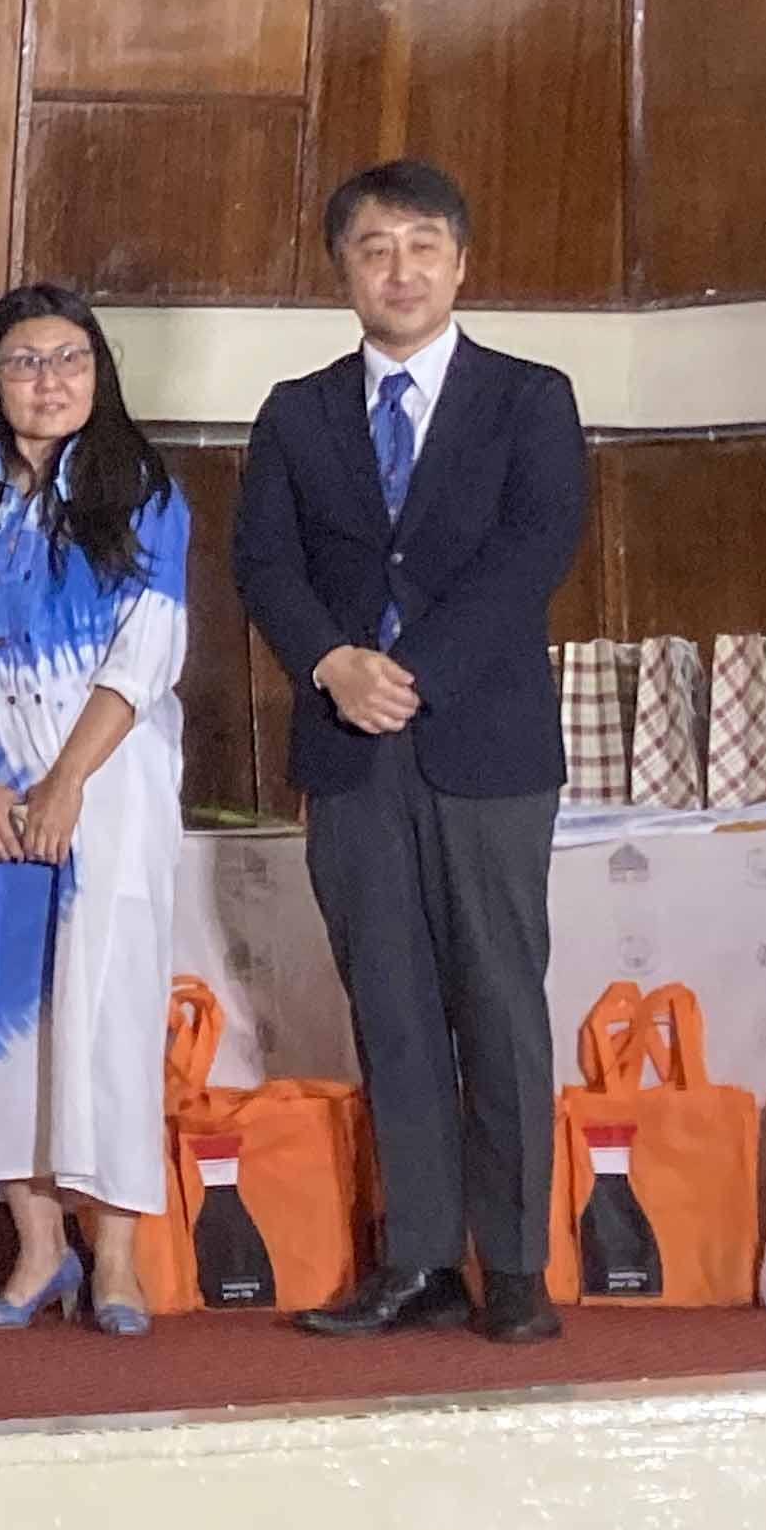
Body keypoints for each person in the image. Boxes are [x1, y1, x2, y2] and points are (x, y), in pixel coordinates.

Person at [235, 160, 584, 1346]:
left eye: (421, 245)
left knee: (498, 1002)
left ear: (459, 264)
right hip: (347, 748)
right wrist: (332, 664)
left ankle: (519, 1265)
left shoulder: (527, 397)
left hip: (483, 748)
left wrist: (410, 668)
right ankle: (418, 1260)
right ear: (340, 270)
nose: (399, 269)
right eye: (374, 247)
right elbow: (263, 566)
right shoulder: (294, 411)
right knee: (387, 1008)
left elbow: (533, 550)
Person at [0, 283, 189, 1335]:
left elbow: (144, 655)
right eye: (23, 362)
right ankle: (34, 1256)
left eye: (67, 360)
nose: (47, 382)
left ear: (97, 372)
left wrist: (66, 780)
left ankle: (113, 1259)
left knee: (102, 1014)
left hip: (103, 800)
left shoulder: (147, 494)